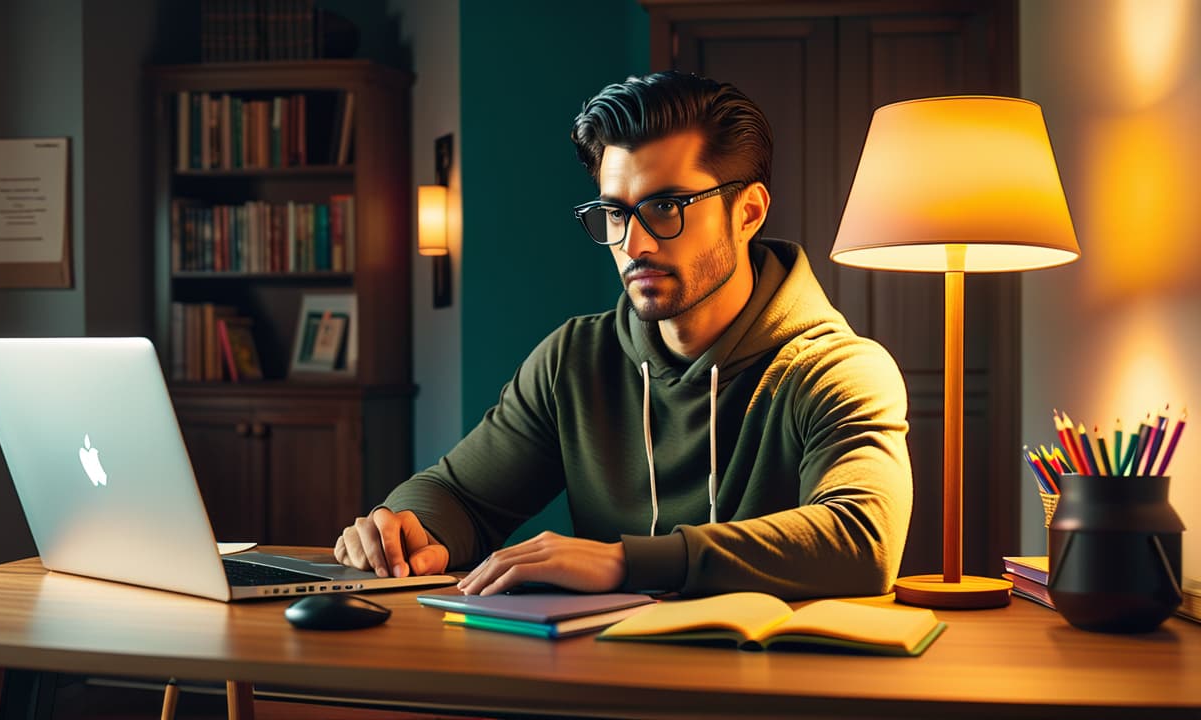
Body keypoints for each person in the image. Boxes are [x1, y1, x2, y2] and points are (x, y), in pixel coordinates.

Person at [334, 71, 913, 599]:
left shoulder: (839, 370)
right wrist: (404, 528)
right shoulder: (575, 360)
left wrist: (624, 562)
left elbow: (863, 540)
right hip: (605, 681)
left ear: (749, 212)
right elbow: (459, 495)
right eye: (615, 213)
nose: (633, 244)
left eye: (666, 206)